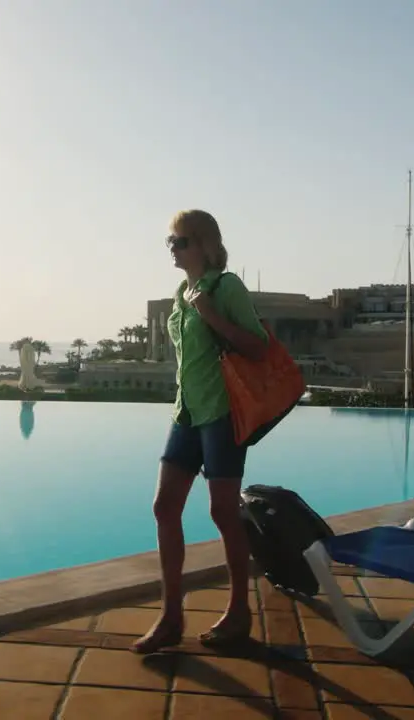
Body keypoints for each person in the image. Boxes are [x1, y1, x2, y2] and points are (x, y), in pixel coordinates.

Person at [132, 209, 269, 654]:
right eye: (169, 242)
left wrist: (209, 314)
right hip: (187, 414)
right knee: (164, 506)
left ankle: (239, 611)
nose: (173, 248)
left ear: (205, 244)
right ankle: (171, 616)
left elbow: (257, 346)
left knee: (223, 513)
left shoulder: (225, 288)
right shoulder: (181, 292)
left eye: (181, 241)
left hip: (223, 414)